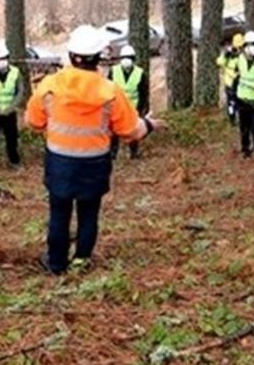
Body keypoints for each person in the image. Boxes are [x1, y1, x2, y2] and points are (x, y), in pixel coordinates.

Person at [26, 25, 158, 275]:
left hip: (59, 164)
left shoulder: (49, 86)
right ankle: (81, 261)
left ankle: (56, 263)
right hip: (94, 165)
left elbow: (33, 122)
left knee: (59, 214)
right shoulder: (110, 92)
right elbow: (130, 131)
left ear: (71, 55)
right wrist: (149, 124)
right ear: (99, 58)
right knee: (89, 215)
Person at [109, 45, 148, 159]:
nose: (127, 59)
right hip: (116, 107)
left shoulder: (140, 73)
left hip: (133, 108)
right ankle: (113, 153)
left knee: (133, 131)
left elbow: (143, 94)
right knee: (114, 131)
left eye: (129, 57)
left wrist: (140, 109)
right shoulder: (113, 71)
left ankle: (134, 153)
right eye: (125, 57)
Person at [217, 33, 245, 119]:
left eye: (241, 47)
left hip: (241, 84)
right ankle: (231, 118)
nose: (239, 49)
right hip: (230, 84)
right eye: (238, 47)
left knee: (241, 103)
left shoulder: (244, 56)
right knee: (231, 104)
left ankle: (241, 118)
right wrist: (226, 56)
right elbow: (219, 62)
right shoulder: (228, 55)